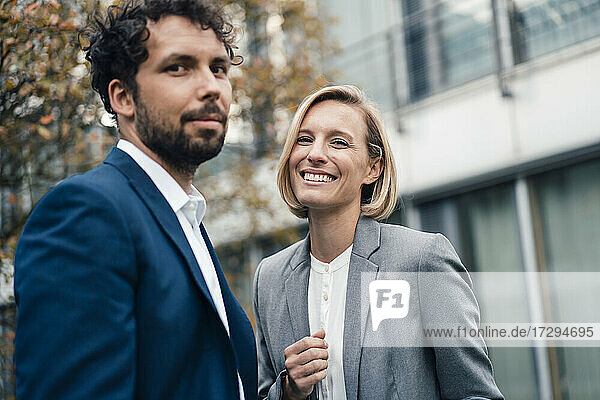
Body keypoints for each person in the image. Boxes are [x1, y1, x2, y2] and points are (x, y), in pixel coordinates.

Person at [14, 1, 256, 399]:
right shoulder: (86, 214)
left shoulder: (184, 217)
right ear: (123, 97)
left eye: (218, 68)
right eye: (178, 67)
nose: (211, 86)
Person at [253, 85, 504, 399]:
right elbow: (263, 393)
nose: (315, 154)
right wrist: (289, 389)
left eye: (338, 142)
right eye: (304, 139)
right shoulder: (269, 278)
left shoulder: (423, 259)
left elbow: (475, 393)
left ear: (373, 168)